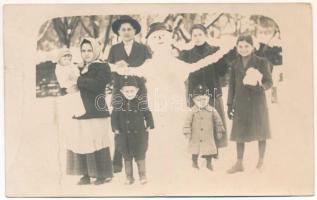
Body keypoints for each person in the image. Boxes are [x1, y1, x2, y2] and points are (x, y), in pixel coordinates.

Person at [177, 24, 235, 148]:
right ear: (191, 37)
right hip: (195, 93)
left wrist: (223, 58)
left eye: (200, 34)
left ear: (205, 35)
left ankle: (216, 149)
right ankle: (200, 151)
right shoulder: (186, 54)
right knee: (199, 124)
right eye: (194, 35)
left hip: (212, 91)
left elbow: (222, 72)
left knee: (214, 121)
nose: (197, 38)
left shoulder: (214, 51)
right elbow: (180, 72)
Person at [66, 37, 113, 185]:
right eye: (83, 50)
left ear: (96, 50)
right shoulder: (79, 67)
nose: (86, 54)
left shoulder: (102, 67)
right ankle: (85, 173)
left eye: (89, 50)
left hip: (95, 110)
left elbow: (98, 86)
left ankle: (102, 174)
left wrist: (78, 80)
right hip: (80, 109)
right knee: (82, 140)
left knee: (97, 140)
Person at [108, 15, 152, 173]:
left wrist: (135, 74)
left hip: (139, 91)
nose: (126, 32)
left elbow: (149, 69)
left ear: (135, 31)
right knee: (119, 124)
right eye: (123, 29)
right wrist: (117, 69)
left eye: (129, 29)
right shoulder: (114, 49)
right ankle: (117, 162)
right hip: (119, 91)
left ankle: (139, 158)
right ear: (119, 32)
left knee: (137, 123)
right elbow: (110, 71)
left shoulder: (143, 49)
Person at [226, 34, 273, 174]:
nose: (243, 49)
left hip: (257, 102)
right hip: (240, 103)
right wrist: (229, 105)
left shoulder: (261, 62)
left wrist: (261, 87)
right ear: (236, 47)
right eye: (240, 46)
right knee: (239, 133)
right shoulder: (234, 64)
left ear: (252, 47)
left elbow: (269, 81)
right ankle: (239, 163)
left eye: (247, 46)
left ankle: (261, 161)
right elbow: (232, 86)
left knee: (261, 132)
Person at [111, 76, 154, 185]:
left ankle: (142, 175)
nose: (129, 93)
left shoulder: (141, 102)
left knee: (140, 155)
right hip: (124, 135)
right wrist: (115, 128)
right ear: (121, 91)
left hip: (139, 135)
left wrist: (149, 124)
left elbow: (148, 114)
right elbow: (114, 117)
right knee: (127, 156)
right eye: (126, 91)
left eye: (132, 91)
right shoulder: (119, 104)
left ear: (137, 90)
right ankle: (129, 176)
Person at [183, 84, 225, 171]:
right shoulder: (192, 111)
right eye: (198, 100)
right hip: (195, 135)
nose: (201, 102)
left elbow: (218, 121)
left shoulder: (212, 110)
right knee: (195, 148)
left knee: (209, 149)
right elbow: (187, 122)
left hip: (207, 135)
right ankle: (194, 162)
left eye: (204, 99)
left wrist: (219, 130)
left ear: (208, 98)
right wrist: (187, 131)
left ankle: (209, 163)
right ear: (194, 100)